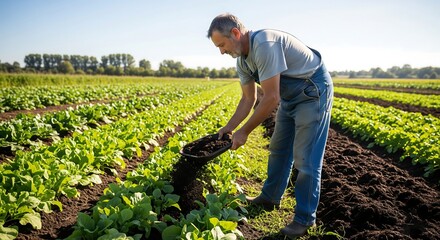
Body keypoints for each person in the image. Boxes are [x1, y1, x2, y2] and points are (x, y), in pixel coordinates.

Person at [207, 13, 334, 238]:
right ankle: (270, 196)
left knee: (306, 158)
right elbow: (249, 99)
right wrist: (229, 127)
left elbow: (271, 97)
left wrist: (244, 131)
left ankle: (305, 219)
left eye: (222, 45)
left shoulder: (265, 44)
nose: (221, 51)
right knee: (279, 148)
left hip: (312, 91)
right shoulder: (242, 61)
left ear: (235, 34)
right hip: (288, 97)